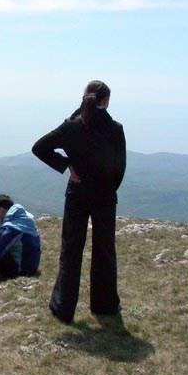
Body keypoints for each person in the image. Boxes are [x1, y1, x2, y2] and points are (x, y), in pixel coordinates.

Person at [32, 80, 126, 323]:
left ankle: (63, 307)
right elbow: (119, 168)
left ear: (84, 98)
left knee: (71, 250)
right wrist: (107, 188)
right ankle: (104, 306)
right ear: (105, 101)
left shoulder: (72, 127)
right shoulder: (115, 129)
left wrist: (66, 166)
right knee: (104, 250)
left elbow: (39, 147)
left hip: (77, 193)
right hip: (104, 195)